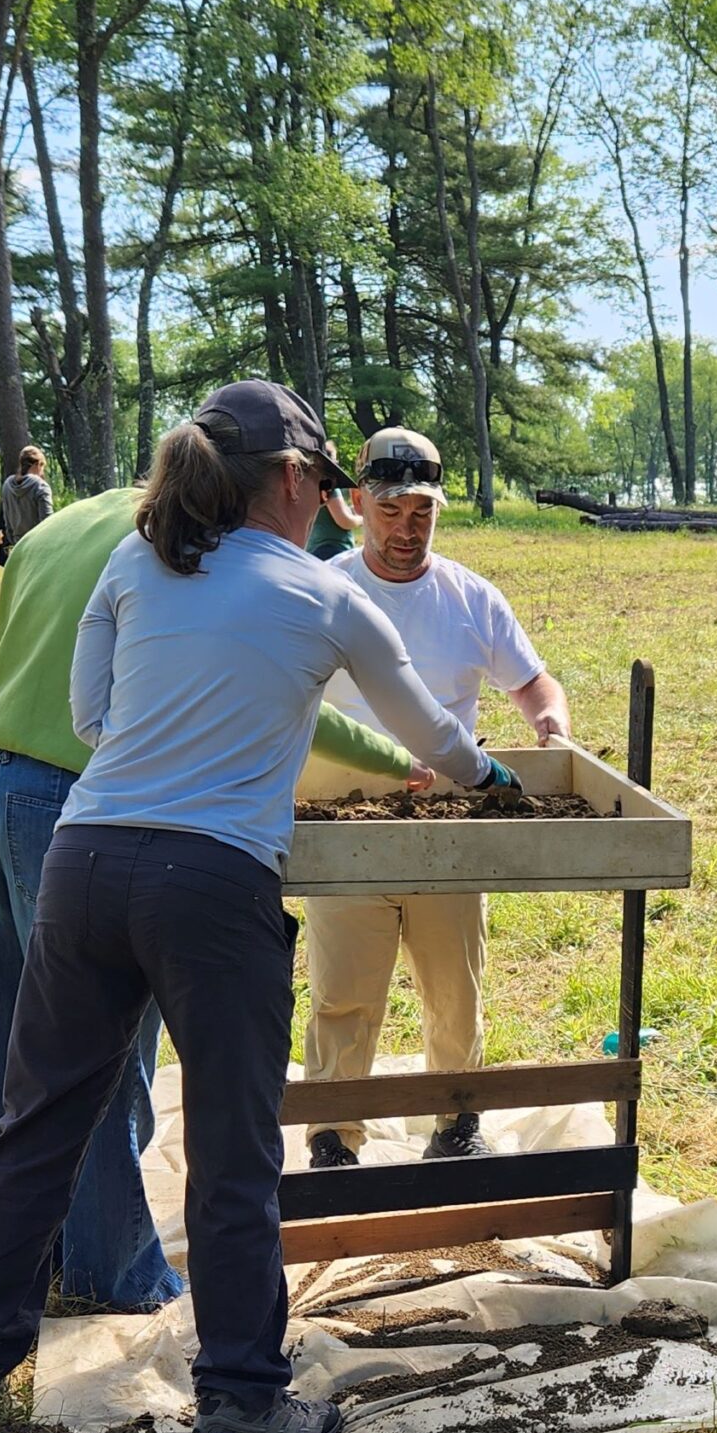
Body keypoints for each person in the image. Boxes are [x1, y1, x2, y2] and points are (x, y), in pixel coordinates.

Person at [0, 380, 513, 1433]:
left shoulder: (134, 564)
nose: (325, 502)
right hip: (214, 885)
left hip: (85, 861)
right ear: (290, 482)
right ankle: (240, 1393)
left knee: (37, 1117)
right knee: (233, 1147)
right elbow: (429, 727)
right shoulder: (322, 596)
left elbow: (94, 719)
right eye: (323, 483)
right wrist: (488, 774)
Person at [0, 486, 422, 1312]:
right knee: (106, 1058)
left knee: (19, 1056)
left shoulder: (62, 527)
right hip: (84, 801)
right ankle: (114, 1273)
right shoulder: (196, 549)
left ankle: (12, 1278)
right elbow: (281, 703)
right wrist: (398, 763)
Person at [301, 424, 573, 1169]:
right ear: (357, 505)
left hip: (453, 819)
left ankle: (456, 1123)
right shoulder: (325, 590)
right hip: (345, 820)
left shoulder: (469, 597)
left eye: (422, 512)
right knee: (344, 994)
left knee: (455, 989)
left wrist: (549, 718)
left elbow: (530, 680)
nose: (406, 529)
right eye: (390, 511)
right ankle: (334, 1134)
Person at [0, 446, 53, 565]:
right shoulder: (41, 486)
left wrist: (12, 541)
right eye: (42, 467)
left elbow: (6, 519)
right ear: (38, 464)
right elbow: (48, 522)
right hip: (39, 547)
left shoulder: (7, 485)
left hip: (17, 546)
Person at [305, 441, 361, 560]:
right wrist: (362, 518)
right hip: (334, 550)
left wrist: (351, 509)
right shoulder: (329, 488)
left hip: (314, 550)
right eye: (335, 460)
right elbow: (344, 521)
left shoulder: (310, 486)